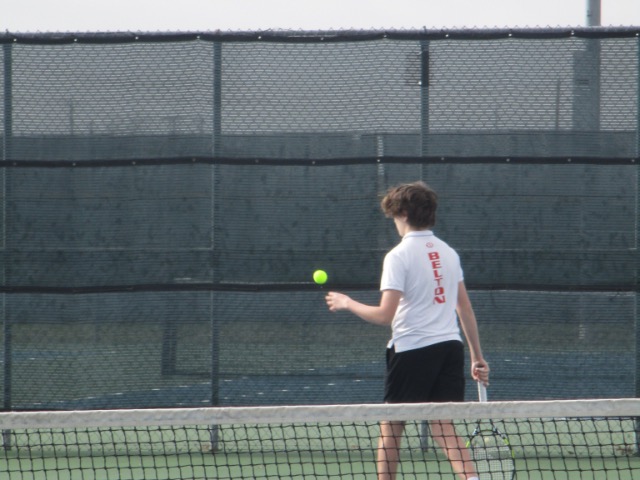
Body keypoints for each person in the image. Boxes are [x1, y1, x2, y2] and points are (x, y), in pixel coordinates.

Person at [325, 181, 489, 480]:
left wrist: (347, 303)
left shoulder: (398, 256)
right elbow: (464, 308)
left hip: (412, 349)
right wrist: (477, 357)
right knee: (443, 425)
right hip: (450, 348)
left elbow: (384, 315)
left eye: (393, 215)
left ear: (402, 213)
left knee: (391, 425)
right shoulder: (449, 253)